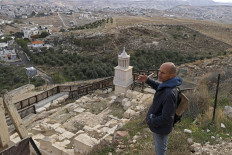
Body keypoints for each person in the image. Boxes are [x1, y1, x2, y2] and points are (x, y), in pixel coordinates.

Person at [137, 62, 183, 155]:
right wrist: (147, 80)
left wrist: (151, 120)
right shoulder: (168, 84)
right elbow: (160, 87)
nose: (159, 74)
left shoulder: (169, 94)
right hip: (159, 126)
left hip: (161, 129)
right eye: (159, 71)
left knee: (160, 152)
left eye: (163, 73)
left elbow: (167, 118)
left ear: (171, 75)